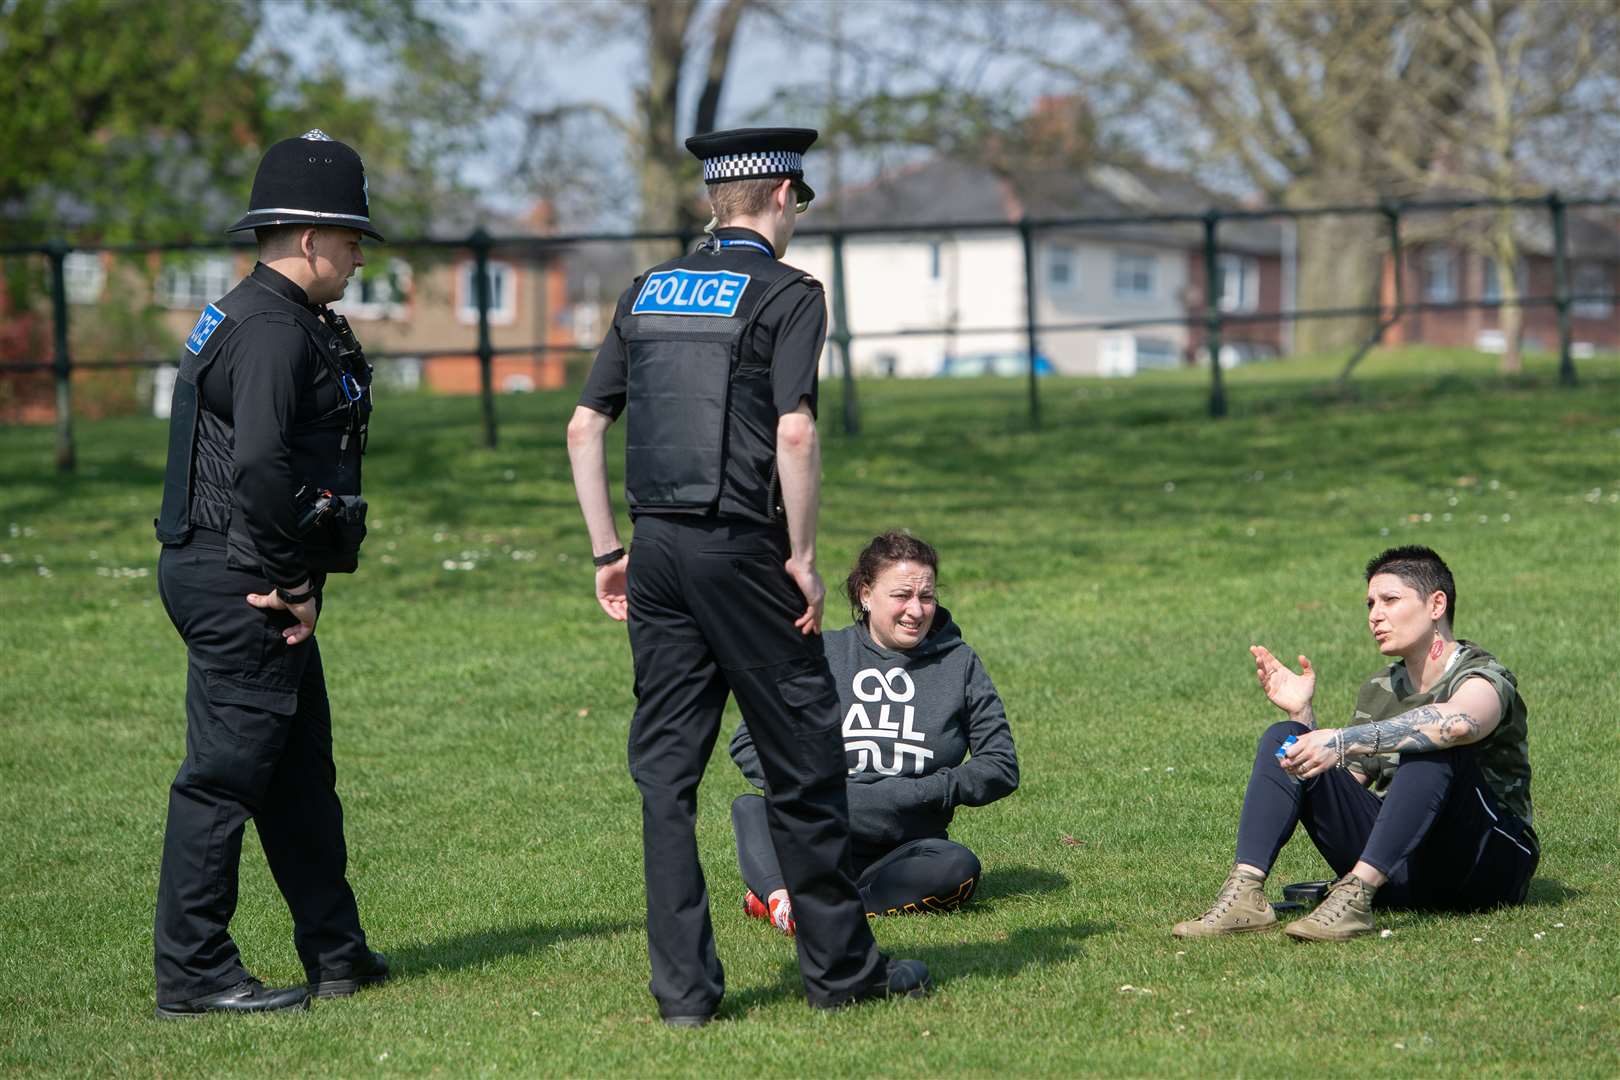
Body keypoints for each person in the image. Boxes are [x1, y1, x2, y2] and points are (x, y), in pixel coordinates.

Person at [566, 127, 930, 1026]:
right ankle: (843, 975)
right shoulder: (790, 293)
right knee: (804, 762)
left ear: (713, 203)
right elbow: (795, 432)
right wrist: (802, 560)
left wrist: (610, 552)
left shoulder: (645, 291)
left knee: (666, 778)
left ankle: (683, 994)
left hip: (654, 552)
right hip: (742, 552)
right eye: (797, 204)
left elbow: (583, 428)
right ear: (779, 199)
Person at [151, 130, 390, 1016]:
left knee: (297, 773)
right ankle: (194, 972)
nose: (361, 252)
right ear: (307, 237)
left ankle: (336, 952)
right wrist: (293, 580)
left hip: (235, 566)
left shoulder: (261, 314)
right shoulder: (270, 332)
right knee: (222, 778)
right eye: (352, 235)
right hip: (242, 577)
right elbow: (257, 467)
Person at [1172, 545, 1538, 942]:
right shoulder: (1381, 688)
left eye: (1390, 600)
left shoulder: (1481, 673)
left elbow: (1461, 724)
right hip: (1408, 868)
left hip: (1487, 866)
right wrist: (1304, 720)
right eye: (1369, 604)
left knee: (1432, 743)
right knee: (1284, 737)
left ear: (1436, 604)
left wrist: (1344, 739)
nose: (1374, 615)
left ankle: (1356, 895)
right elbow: (1344, 788)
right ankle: (1245, 893)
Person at [729, 532, 1018, 936]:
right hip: (816, 835)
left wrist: (923, 792)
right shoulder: (822, 653)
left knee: (958, 867)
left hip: (905, 849)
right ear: (866, 594)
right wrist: (816, 787)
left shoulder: (959, 664)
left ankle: (825, 908)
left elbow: (1000, 765)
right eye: (902, 595)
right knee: (751, 809)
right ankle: (782, 899)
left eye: (927, 597)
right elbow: (748, 740)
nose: (916, 611)